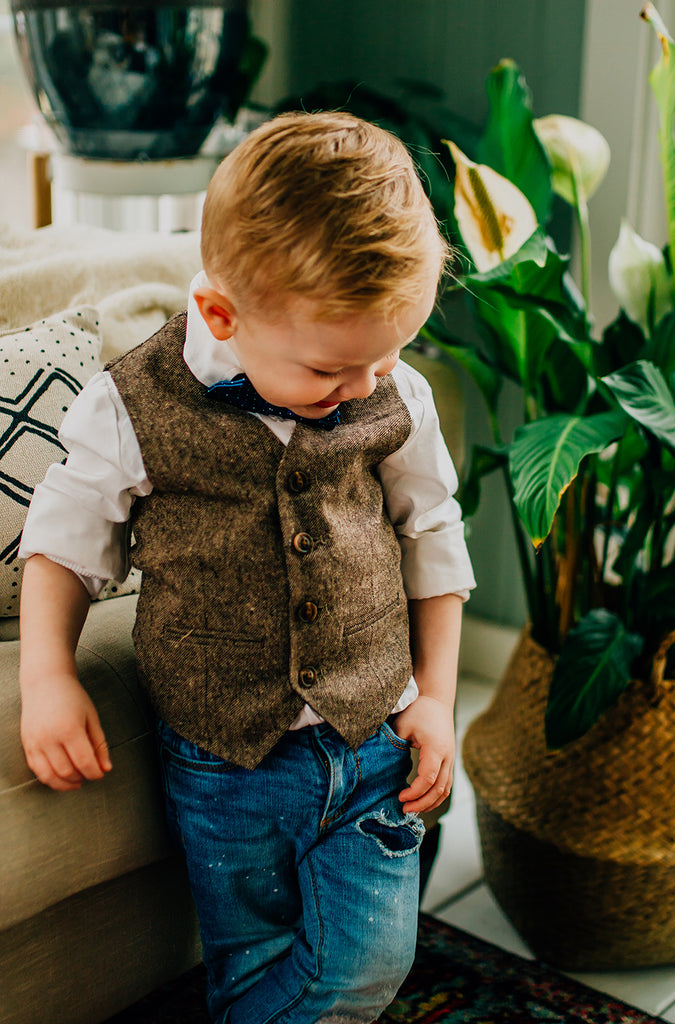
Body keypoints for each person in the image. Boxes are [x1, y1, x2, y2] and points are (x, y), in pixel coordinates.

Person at [18, 111, 475, 1024]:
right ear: (223, 315)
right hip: (223, 761)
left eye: (388, 355)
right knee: (248, 964)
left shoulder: (391, 391)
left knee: (367, 963)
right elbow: (62, 543)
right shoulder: (131, 403)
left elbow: (433, 534)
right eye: (333, 368)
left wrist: (435, 695)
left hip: (370, 738)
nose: (367, 387)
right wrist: (46, 677)